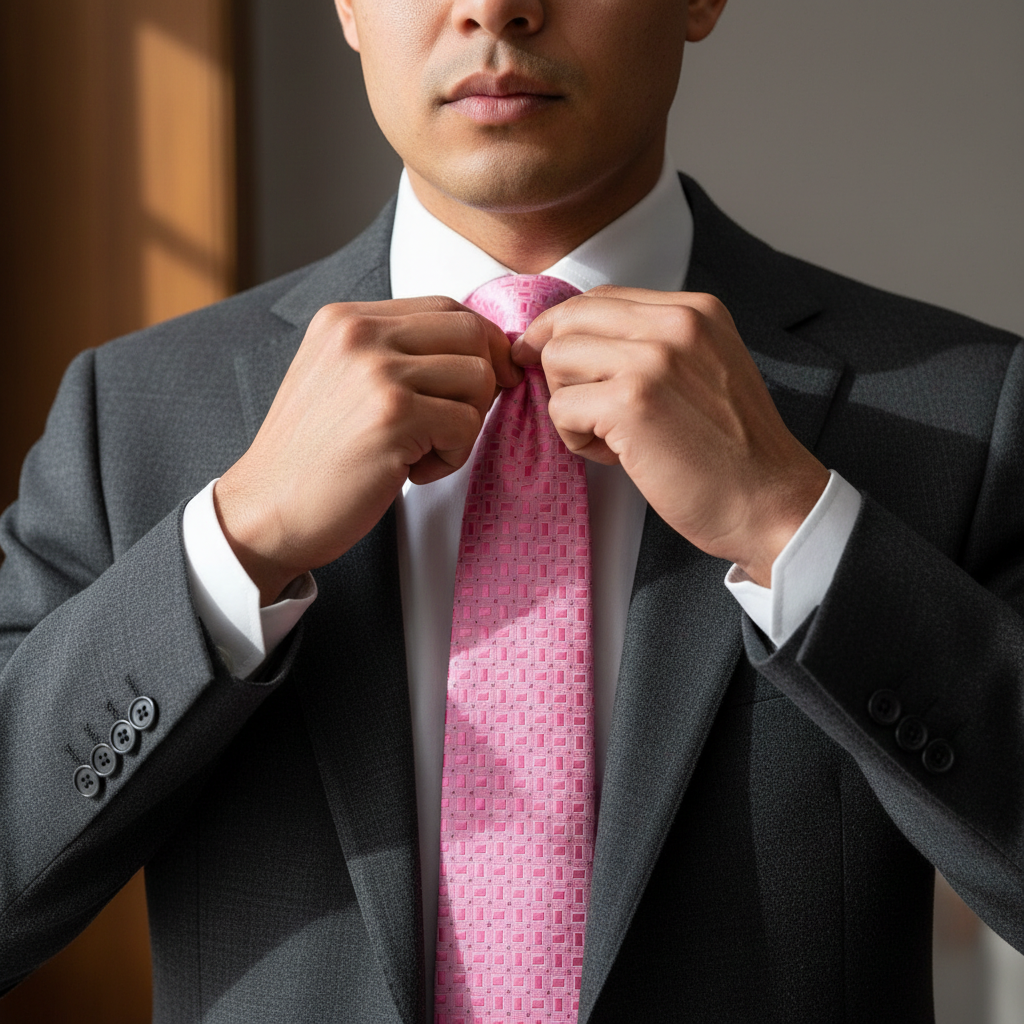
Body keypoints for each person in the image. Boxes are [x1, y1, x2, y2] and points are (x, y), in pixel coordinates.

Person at [1, 0, 1022, 1020]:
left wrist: (795, 528)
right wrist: (235, 546)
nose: (493, 6)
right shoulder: (127, 420)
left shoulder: (964, 409)